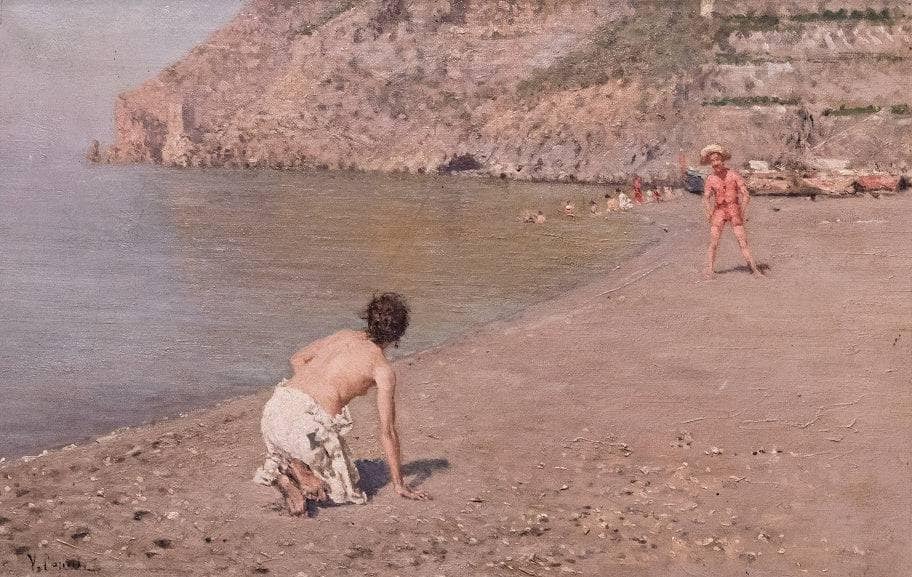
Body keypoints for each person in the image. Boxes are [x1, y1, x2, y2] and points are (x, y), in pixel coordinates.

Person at [254, 293, 430, 515]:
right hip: (305, 427)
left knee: (316, 441)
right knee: (342, 491)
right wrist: (399, 484)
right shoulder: (382, 370)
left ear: (369, 318)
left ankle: (291, 469)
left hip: (275, 409)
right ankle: (302, 474)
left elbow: (297, 359)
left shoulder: (344, 335)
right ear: (399, 332)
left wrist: (316, 393)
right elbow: (388, 432)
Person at [700, 144, 762, 278]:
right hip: (719, 211)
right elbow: (705, 198)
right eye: (712, 161)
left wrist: (743, 212)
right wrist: (708, 213)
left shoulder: (733, 175)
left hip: (734, 210)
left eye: (717, 159)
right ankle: (709, 270)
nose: (715, 163)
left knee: (742, 242)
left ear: (722, 160)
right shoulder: (710, 179)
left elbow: (746, 195)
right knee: (713, 242)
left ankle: (755, 270)